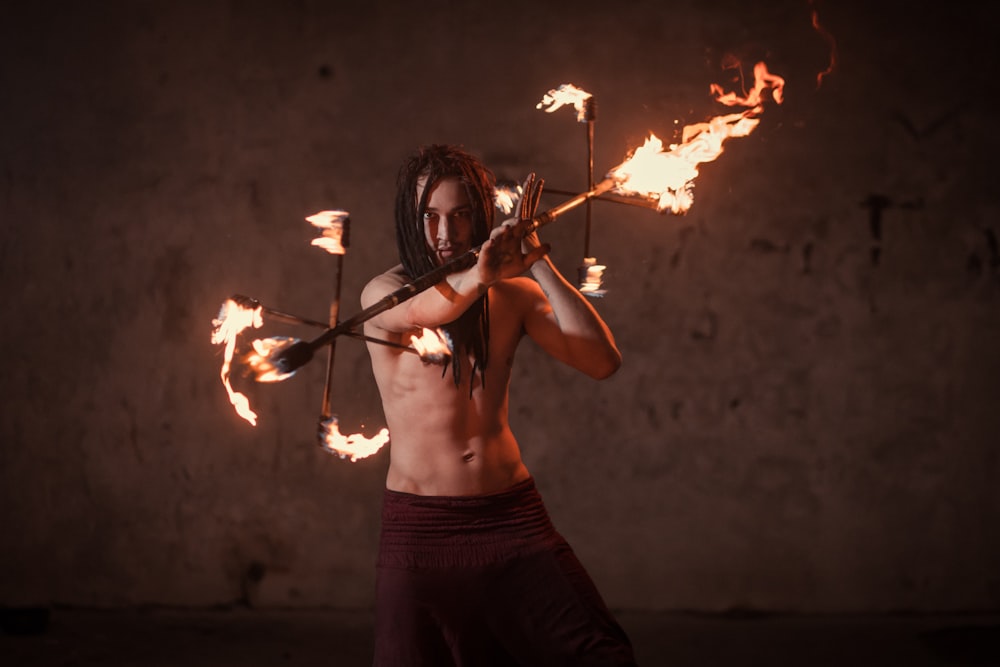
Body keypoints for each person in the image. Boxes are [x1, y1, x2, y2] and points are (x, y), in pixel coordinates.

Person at [361, 144, 637, 666]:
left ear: (481, 216)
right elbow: (432, 310)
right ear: (409, 218)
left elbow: (602, 361)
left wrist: (540, 263)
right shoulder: (385, 294)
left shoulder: (510, 295)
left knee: (602, 656)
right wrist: (481, 276)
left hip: (510, 519)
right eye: (431, 217)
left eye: (461, 215)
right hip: (421, 529)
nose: (446, 233)